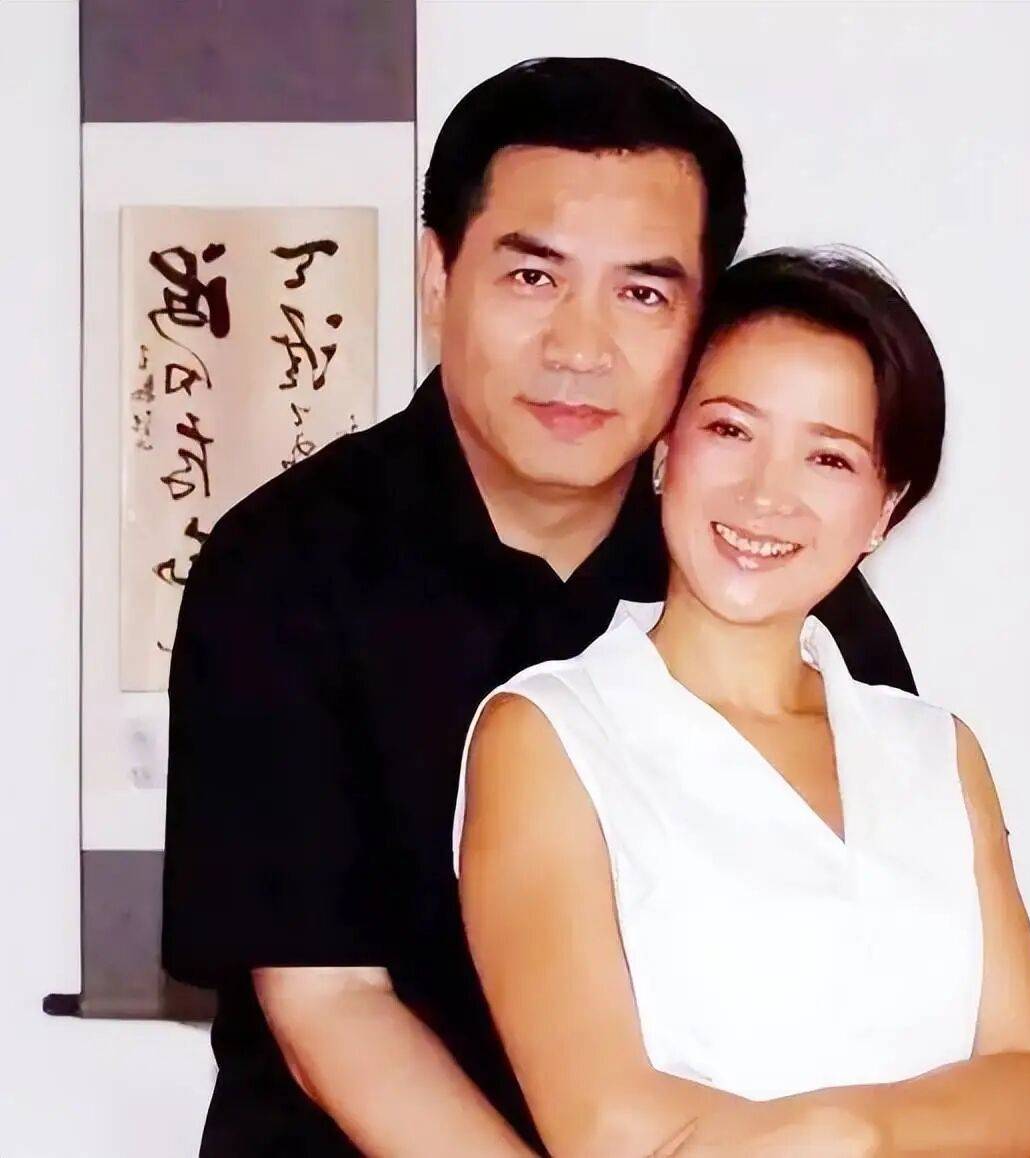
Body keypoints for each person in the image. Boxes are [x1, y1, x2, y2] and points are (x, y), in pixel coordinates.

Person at [162, 60, 917, 1157]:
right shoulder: (284, 569)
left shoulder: (784, 588)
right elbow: (331, 1008)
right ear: (438, 276)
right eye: (532, 277)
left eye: (643, 294)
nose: (580, 348)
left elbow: (890, 962)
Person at [455, 249, 1030, 1157]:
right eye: (731, 429)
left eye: (828, 457)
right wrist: (941, 1126)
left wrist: (853, 1133)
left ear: (884, 510)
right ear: (665, 449)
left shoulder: (935, 751)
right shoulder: (551, 734)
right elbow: (609, 1127)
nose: (764, 494)